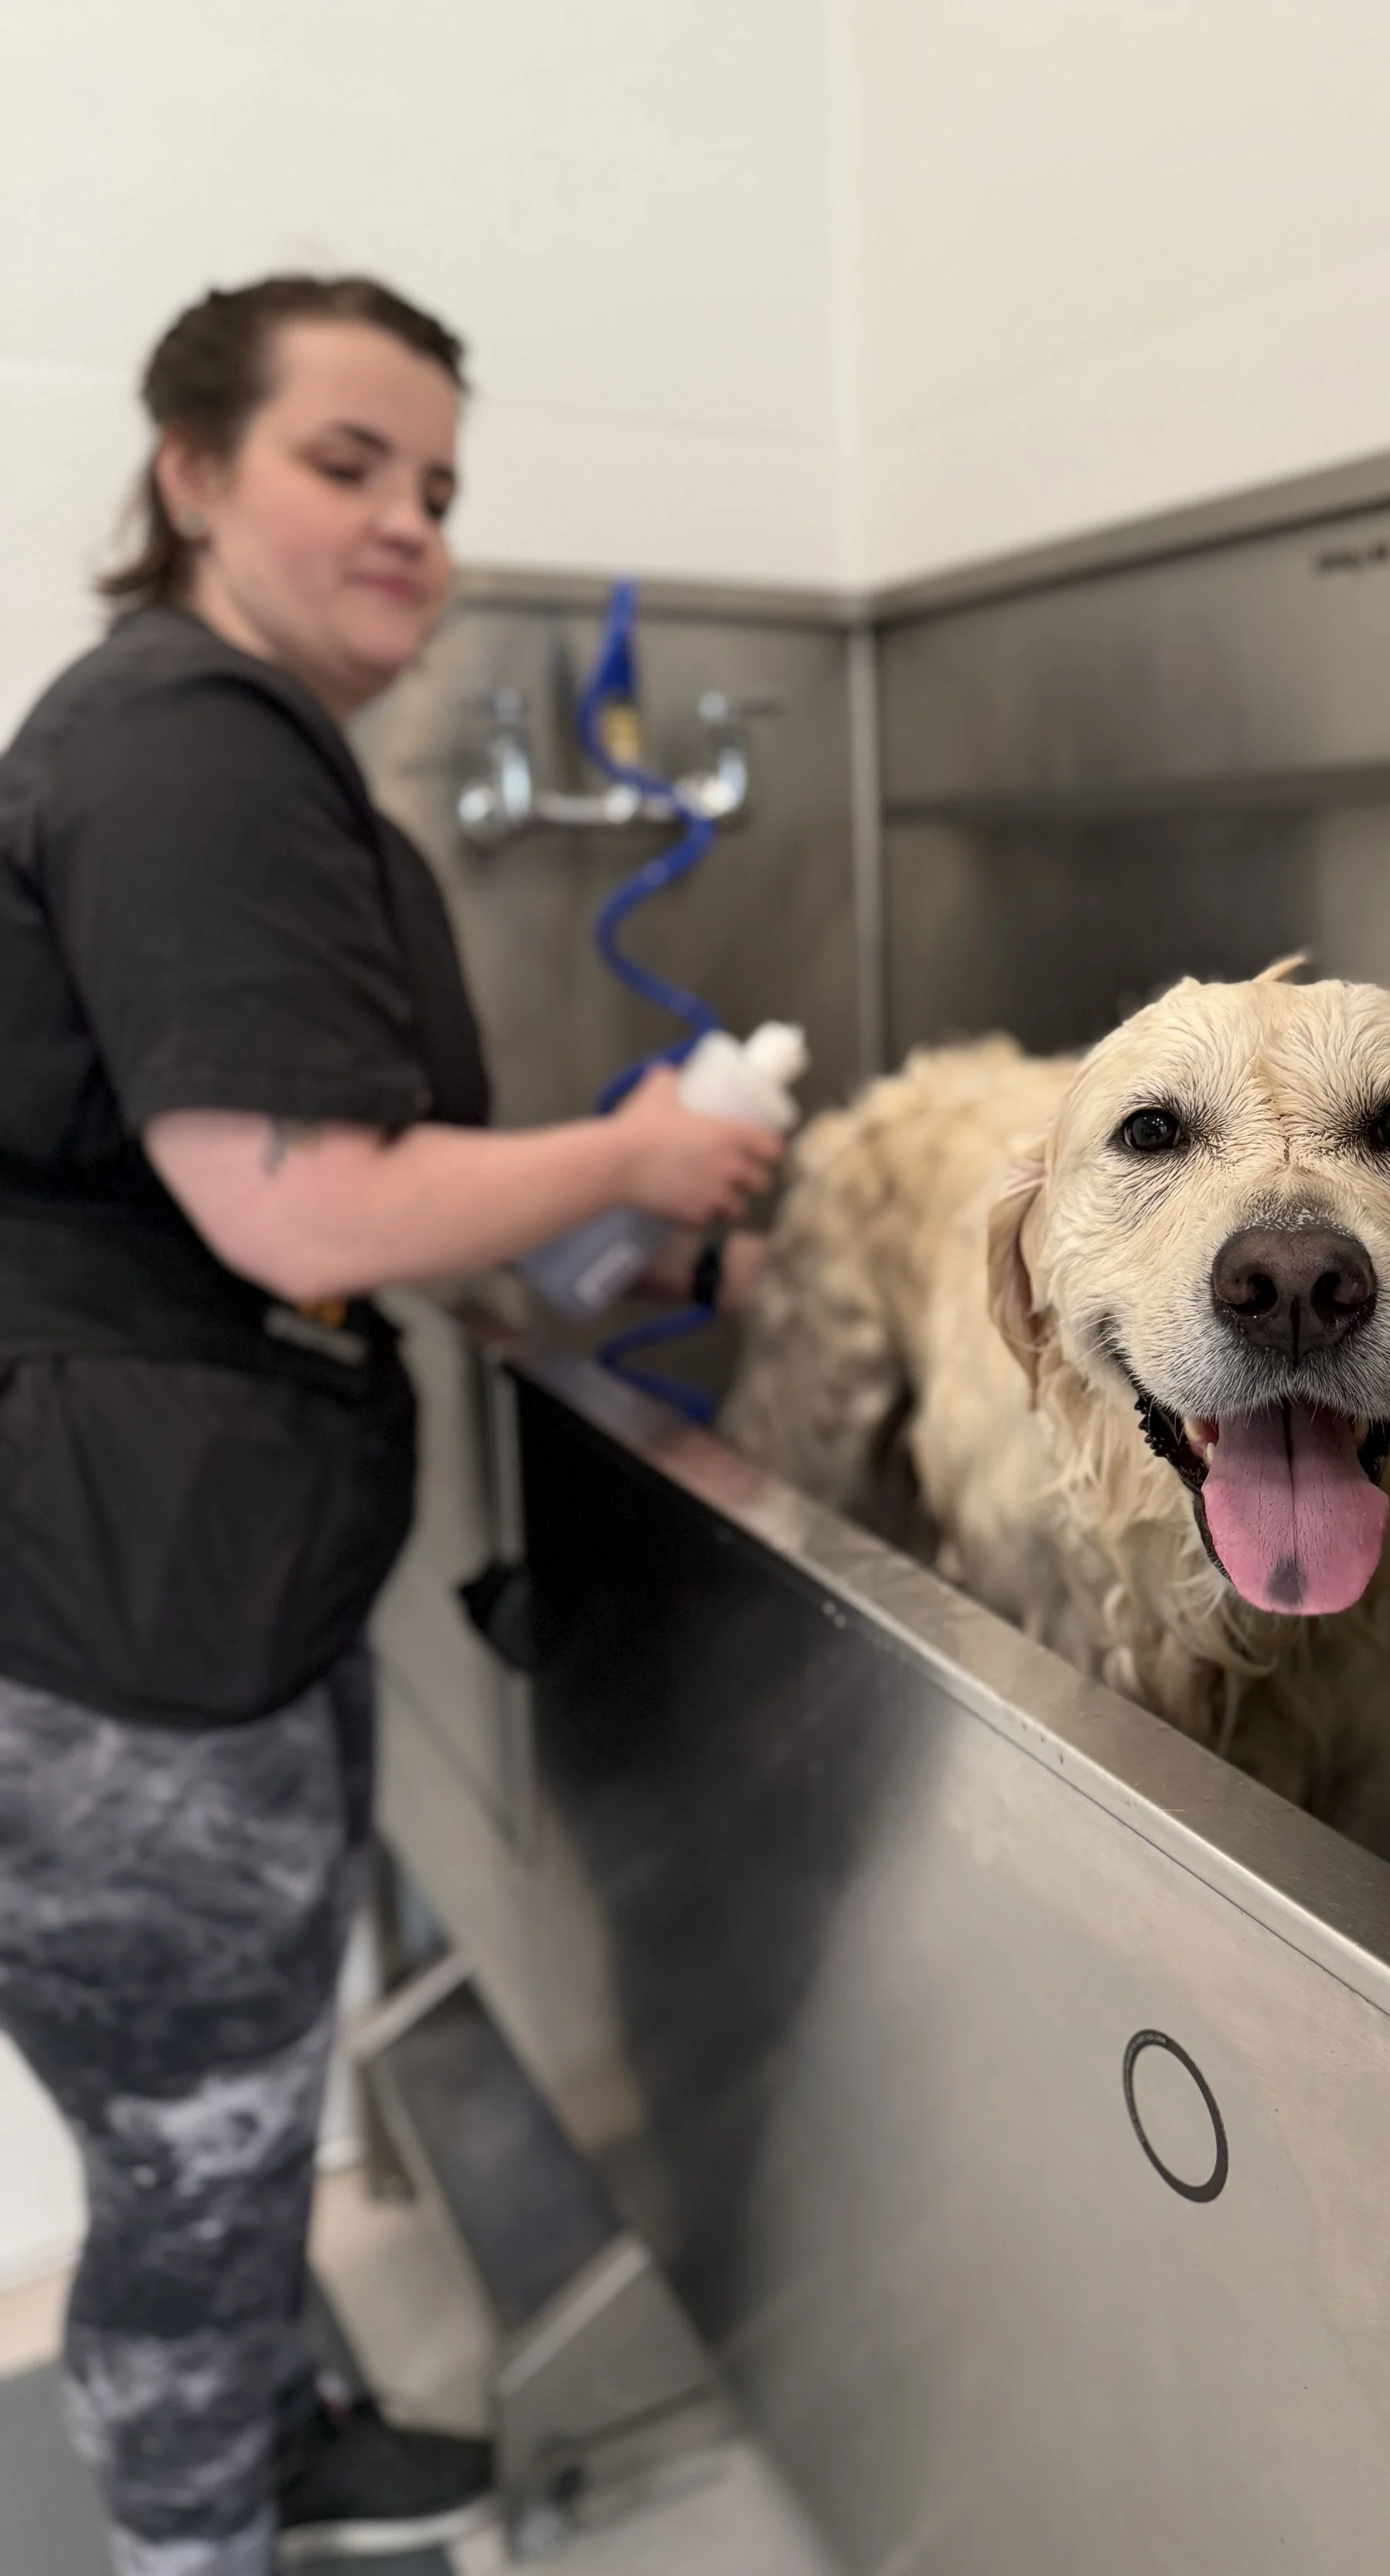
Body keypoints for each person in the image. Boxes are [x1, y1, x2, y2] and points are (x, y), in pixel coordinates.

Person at [0, 275, 783, 2575]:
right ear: (189, 475)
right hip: (122, 1630)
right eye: (345, 464)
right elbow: (299, 1199)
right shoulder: (188, 748)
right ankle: (195, 2538)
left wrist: (608, 1256)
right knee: (192, 2167)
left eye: (436, 485)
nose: (409, 526)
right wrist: (631, 1153)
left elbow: (357, 1206)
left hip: (190, 1595)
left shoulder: (251, 766)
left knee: (235, 2132)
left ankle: (283, 2440)